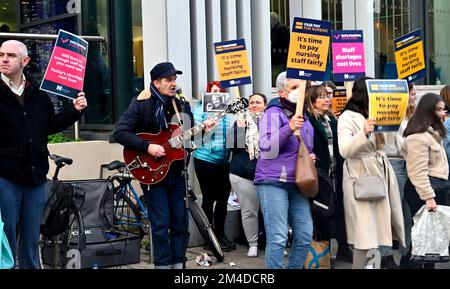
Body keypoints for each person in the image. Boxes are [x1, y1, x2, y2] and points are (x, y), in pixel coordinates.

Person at [113, 62, 215, 269]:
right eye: (168, 80)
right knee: (161, 226)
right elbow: (120, 132)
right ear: (156, 83)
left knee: (180, 223)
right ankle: (162, 266)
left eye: (174, 79)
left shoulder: (182, 105)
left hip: (177, 173)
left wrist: (203, 130)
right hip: (152, 174)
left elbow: (187, 139)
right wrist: (148, 147)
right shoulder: (141, 104)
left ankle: (179, 266)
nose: (173, 84)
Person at [0, 40, 87, 269]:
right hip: (5, 177)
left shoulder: (37, 93)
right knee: (4, 239)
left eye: (10, 55)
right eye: (1, 54)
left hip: (35, 176)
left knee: (31, 239)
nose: (4, 59)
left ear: (25, 61)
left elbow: (50, 124)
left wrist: (74, 111)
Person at [337, 77, 405, 269]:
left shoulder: (376, 112)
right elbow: (345, 150)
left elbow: (395, 144)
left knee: (379, 234)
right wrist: (364, 133)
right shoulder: (347, 117)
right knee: (364, 235)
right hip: (360, 177)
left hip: (380, 172)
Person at [254, 71, 314, 269]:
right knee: (278, 237)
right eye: (294, 88)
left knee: (305, 235)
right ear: (282, 92)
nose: (299, 92)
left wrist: (312, 156)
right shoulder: (273, 113)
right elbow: (267, 146)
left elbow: (306, 148)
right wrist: (288, 127)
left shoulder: (304, 115)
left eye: (301, 87)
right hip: (273, 181)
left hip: (297, 182)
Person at [304, 85, 351, 264]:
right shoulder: (308, 120)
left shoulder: (331, 119)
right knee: (323, 213)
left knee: (339, 210)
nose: (327, 99)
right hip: (321, 174)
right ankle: (324, 254)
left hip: (336, 172)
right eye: (321, 97)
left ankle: (343, 249)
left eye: (327, 96)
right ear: (312, 100)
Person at [403, 93, 450, 269]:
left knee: (430, 240)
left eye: (443, 108)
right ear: (428, 111)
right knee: (423, 238)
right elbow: (417, 172)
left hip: (435, 188)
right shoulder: (418, 136)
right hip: (424, 191)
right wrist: (428, 197)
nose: (443, 112)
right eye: (438, 109)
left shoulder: (432, 133)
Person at [193, 81, 236, 252]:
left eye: (220, 91)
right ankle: (208, 238)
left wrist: (238, 122)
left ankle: (220, 233)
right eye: (213, 90)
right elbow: (194, 137)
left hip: (224, 161)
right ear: (207, 93)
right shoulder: (199, 109)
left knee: (223, 199)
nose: (216, 93)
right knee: (209, 198)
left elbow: (235, 137)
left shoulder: (228, 110)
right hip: (205, 159)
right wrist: (207, 128)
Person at [381, 82, 417, 269]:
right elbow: (403, 145)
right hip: (395, 163)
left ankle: (406, 251)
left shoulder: (410, 116)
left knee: (405, 212)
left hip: (406, 164)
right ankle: (386, 255)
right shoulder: (391, 116)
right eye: (412, 94)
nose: (414, 97)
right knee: (391, 212)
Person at [228, 93, 267, 258]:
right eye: (251, 102)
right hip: (243, 173)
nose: (254, 105)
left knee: (270, 211)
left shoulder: (272, 122)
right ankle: (253, 244)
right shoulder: (240, 121)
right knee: (249, 211)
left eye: (258, 102)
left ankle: (273, 243)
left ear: (265, 105)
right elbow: (230, 145)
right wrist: (240, 129)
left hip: (267, 174)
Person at [270, 12, 290, 86]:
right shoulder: (272, 28)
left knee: (277, 73)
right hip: (275, 56)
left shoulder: (281, 28)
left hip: (279, 56)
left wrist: (273, 43)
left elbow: (284, 41)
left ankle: (277, 85)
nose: (270, 21)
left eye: (271, 19)